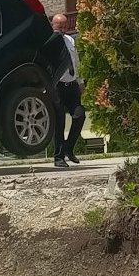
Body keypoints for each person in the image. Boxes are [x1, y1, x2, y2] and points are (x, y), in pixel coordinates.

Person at [51, 13, 85, 168]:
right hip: (57, 87)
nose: (63, 30)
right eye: (60, 27)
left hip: (71, 86)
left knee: (79, 115)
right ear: (53, 26)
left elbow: (75, 62)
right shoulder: (50, 43)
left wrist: (80, 82)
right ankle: (58, 157)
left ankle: (68, 148)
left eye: (65, 27)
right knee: (59, 122)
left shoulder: (71, 40)